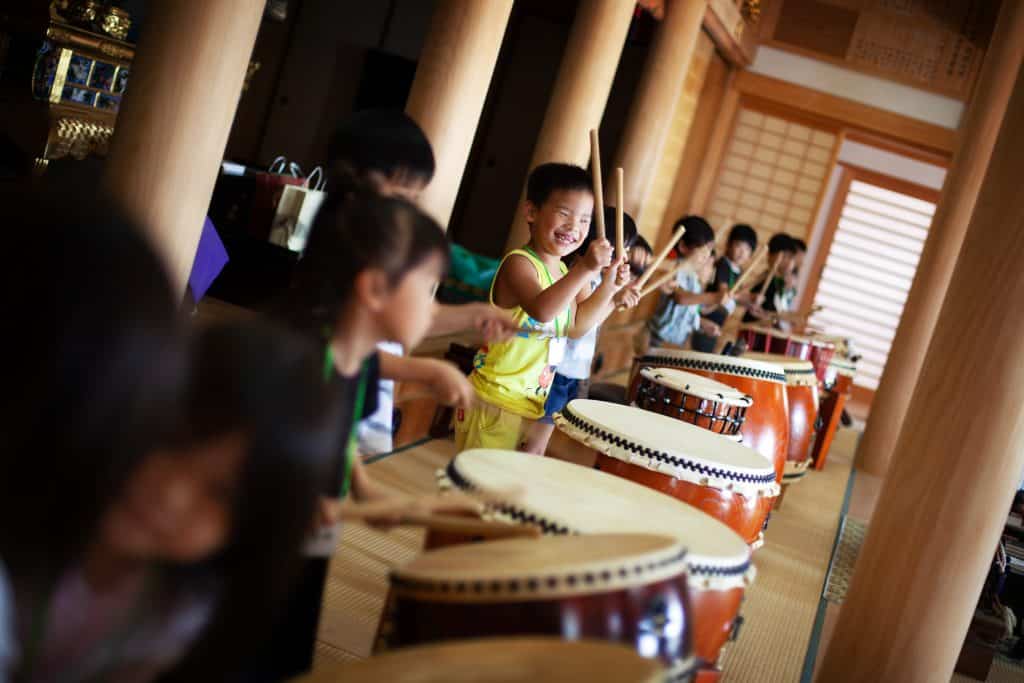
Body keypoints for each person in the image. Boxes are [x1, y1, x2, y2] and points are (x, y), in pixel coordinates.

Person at [262, 193, 483, 679]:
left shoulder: (357, 365)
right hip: (263, 554)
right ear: (375, 290)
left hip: (313, 536)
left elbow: (338, 440)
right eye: (427, 289)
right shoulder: (300, 367)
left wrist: (363, 489)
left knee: (291, 647)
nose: (434, 307)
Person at [328, 109, 517, 456]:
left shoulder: (385, 255)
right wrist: (423, 370)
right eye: (403, 197)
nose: (410, 211)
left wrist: (476, 312)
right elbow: (340, 354)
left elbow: (417, 316)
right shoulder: (341, 257)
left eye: (415, 200)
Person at [455, 163, 633, 452]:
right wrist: (586, 268)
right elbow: (543, 310)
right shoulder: (519, 263)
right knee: (478, 486)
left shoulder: (563, 270)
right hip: (494, 397)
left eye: (584, 221)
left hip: (528, 400)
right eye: (564, 213)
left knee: (497, 487)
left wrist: (611, 288)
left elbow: (576, 327)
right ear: (531, 212)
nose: (574, 227)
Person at [519, 206, 642, 455]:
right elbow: (579, 326)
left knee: (542, 438)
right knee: (535, 441)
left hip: (573, 369)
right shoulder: (581, 273)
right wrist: (613, 291)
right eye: (622, 248)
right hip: (556, 368)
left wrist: (615, 298)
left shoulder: (595, 276)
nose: (624, 256)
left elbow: (591, 322)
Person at [647, 216, 730, 348]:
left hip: (677, 340)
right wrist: (713, 297)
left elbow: (688, 311)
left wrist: (701, 323)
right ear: (683, 246)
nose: (707, 255)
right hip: (657, 337)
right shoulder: (672, 268)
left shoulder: (693, 278)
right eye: (703, 249)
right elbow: (681, 298)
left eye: (709, 249)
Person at [692, 224, 757, 352]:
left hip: (718, 319)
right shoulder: (723, 264)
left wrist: (750, 302)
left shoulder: (738, 271)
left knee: (709, 352)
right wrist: (745, 296)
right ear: (729, 244)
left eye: (747, 249)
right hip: (707, 316)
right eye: (739, 246)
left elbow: (735, 297)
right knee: (702, 352)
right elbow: (724, 293)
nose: (742, 252)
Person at [743, 233, 802, 328]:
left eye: (791, 257)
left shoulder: (781, 282)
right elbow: (753, 305)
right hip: (753, 327)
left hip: (768, 329)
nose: (789, 262)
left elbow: (778, 309)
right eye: (784, 256)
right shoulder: (765, 278)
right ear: (770, 256)